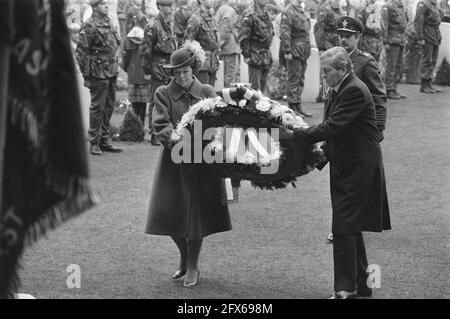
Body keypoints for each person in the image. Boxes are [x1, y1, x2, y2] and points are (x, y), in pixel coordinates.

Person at [282, 47, 391, 299]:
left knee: (343, 227)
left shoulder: (353, 89)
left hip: (358, 168)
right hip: (350, 165)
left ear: (343, 69)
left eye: (327, 71)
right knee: (350, 226)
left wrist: (293, 135)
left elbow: (332, 127)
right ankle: (362, 286)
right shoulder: (341, 87)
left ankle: (346, 289)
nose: (323, 76)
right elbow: (337, 131)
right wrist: (317, 158)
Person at [145, 46, 232, 287]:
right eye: (177, 73)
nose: (181, 77)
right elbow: (160, 125)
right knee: (167, 212)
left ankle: (193, 265)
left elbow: (220, 124)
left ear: (193, 69)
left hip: (203, 163)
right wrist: (179, 144)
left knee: (197, 216)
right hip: (174, 162)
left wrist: (209, 145)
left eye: (185, 71)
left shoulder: (206, 91)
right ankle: (184, 257)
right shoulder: (163, 93)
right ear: (172, 73)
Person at [76, 0, 123, 155]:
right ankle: (94, 142)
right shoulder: (89, 25)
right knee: (98, 107)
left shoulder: (109, 22)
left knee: (109, 106)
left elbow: (115, 45)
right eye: (102, 4)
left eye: (106, 3)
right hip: (98, 72)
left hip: (111, 70)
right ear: (95, 7)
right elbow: (81, 53)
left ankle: (105, 139)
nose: (106, 6)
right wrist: (86, 75)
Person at [140, 0, 177, 146]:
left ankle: (165, 131)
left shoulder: (168, 24)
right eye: (167, 5)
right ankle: (154, 133)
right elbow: (145, 51)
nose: (170, 8)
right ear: (160, 6)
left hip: (169, 67)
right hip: (157, 67)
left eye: (170, 5)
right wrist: (147, 70)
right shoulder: (153, 25)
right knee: (155, 100)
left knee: (168, 100)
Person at [280, 0, 313, 118]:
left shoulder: (301, 10)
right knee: (294, 79)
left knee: (300, 79)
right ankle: (292, 107)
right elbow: (285, 32)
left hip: (303, 51)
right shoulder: (288, 11)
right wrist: (287, 50)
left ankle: (298, 106)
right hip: (294, 51)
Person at [238, 0, 274, 92]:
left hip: (266, 56)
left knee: (264, 90)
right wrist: (246, 55)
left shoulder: (266, 14)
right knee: (255, 91)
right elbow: (243, 37)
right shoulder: (249, 15)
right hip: (255, 56)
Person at [184, 0, 220, 86]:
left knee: (211, 95)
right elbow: (188, 43)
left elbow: (216, 42)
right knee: (201, 95)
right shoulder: (195, 19)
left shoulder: (213, 19)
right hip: (201, 66)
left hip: (212, 64)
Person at [122, 25, 151, 125]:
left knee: (135, 103)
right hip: (143, 77)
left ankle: (136, 125)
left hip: (134, 76)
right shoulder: (145, 46)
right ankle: (141, 124)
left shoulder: (128, 45)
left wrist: (127, 69)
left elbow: (124, 62)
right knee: (142, 104)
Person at [414, 0, 443, 93]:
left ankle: (429, 82)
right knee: (427, 60)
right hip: (427, 35)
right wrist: (420, 37)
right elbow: (418, 21)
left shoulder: (434, 4)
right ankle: (424, 84)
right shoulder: (423, 4)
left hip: (435, 35)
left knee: (433, 61)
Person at [381, 0, 407, 99]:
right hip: (392, 40)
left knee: (398, 65)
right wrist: (385, 41)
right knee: (391, 65)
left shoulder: (400, 5)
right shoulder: (388, 6)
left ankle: (394, 88)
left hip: (400, 39)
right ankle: (389, 89)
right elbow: (384, 25)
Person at [215, 0, 241, 88]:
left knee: (229, 74)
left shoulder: (226, 9)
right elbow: (226, 27)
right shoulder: (228, 9)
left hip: (228, 47)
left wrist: (219, 43)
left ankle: (228, 95)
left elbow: (225, 27)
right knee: (230, 73)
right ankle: (228, 96)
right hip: (229, 47)